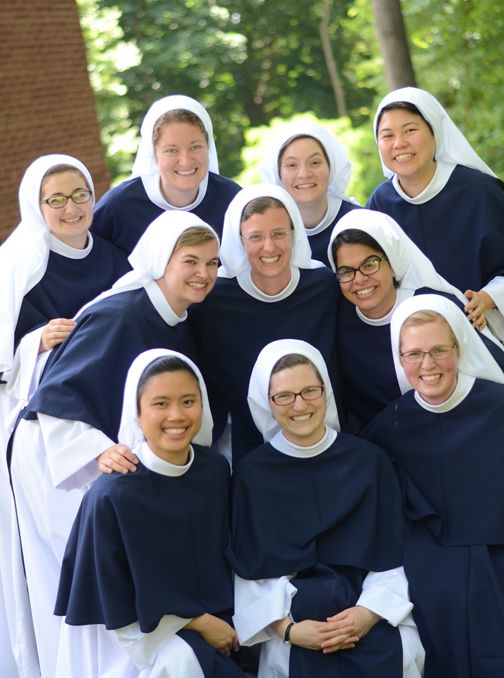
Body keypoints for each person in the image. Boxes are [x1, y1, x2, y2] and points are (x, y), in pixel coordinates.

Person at [9, 211, 220, 678]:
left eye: (212, 263)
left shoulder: (176, 314)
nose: (204, 273)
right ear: (161, 259)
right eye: (191, 261)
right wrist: (94, 449)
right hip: (55, 455)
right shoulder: (121, 314)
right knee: (89, 578)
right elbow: (58, 396)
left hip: (96, 450)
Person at [0, 154, 129, 678]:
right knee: (64, 555)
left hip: (113, 419)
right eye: (56, 199)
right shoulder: (19, 264)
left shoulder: (117, 259)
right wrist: (36, 341)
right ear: (37, 206)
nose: (71, 208)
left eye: (80, 195)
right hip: (45, 432)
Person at [228, 339, 425, 678]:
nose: (299, 405)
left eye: (310, 391)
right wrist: (289, 630)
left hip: (372, 612)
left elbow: (397, 553)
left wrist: (368, 613)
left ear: (326, 392)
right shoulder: (252, 474)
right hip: (292, 624)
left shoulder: (369, 461)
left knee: (403, 654)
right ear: (267, 402)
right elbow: (250, 571)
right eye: (284, 396)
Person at [54, 348, 244, 678]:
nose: (177, 416)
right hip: (136, 639)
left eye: (188, 401)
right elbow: (112, 607)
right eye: (161, 404)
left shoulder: (214, 471)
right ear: (137, 413)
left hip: (222, 627)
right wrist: (196, 622)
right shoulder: (111, 495)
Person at [363, 294, 504, 677]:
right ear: (400, 359)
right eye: (414, 354)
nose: (427, 365)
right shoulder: (387, 428)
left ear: (458, 348)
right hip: (428, 577)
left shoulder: (499, 406)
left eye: (439, 350)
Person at [189, 183, 342, 462]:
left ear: (294, 233)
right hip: (246, 443)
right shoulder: (214, 297)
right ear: (239, 240)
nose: (269, 247)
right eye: (256, 237)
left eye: (279, 234)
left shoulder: (323, 286)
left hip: (322, 432)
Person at [327, 208, 504, 430]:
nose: (359, 279)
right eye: (346, 271)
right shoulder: (340, 323)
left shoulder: (436, 308)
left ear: (393, 264)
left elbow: (487, 375)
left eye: (370, 264)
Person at [367, 86, 504, 336]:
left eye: (410, 130)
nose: (399, 143)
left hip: (484, 331)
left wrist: (489, 296)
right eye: (387, 135)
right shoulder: (379, 203)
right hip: (412, 340)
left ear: (435, 132)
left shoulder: (480, 191)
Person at [92, 94, 241, 254]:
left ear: (208, 146)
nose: (185, 161)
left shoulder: (232, 199)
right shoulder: (117, 206)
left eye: (196, 147)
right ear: (153, 153)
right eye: (171, 150)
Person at [260, 120, 359, 266]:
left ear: (331, 167)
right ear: (278, 174)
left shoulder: (358, 222)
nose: (304, 174)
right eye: (292, 165)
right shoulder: (268, 234)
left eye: (315, 163)